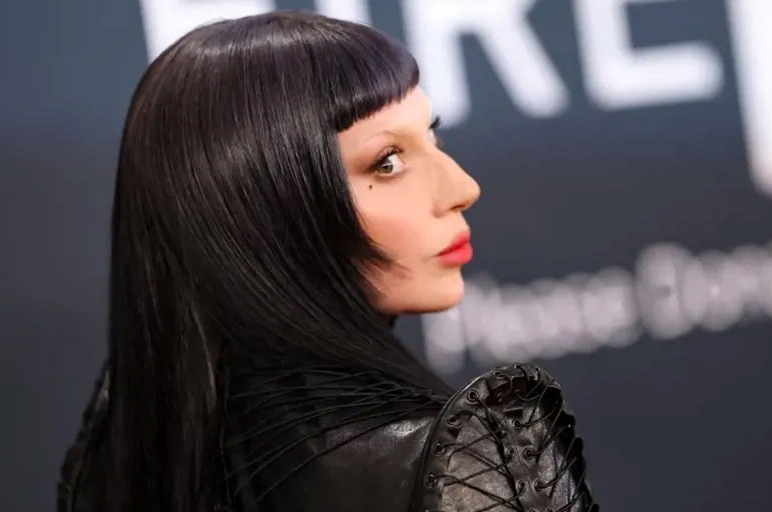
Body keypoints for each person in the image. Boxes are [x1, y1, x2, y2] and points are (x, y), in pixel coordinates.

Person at [57, 10, 599, 512]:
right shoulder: (468, 466)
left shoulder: (125, 442)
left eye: (432, 136)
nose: (463, 187)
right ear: (265, 215)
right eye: (387, 162)